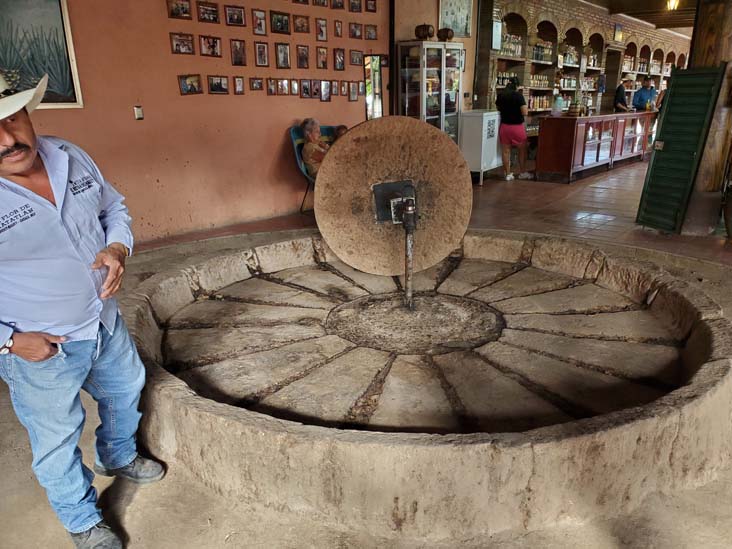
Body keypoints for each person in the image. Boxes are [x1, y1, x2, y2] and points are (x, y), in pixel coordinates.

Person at [0, 74, 164, 549]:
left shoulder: (69, 155)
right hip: (39, 346)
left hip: (102, 320)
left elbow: (114, 208)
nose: (9, 139)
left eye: (13, 118)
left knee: (126, 387)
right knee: (56, 438)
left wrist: (117, 247)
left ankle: (116, 456)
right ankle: (82, 521)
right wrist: (10, 343)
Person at [495, 77, 531, 181]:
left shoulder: (501, 95)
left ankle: (508, 174)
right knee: (522, 150)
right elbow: (525, 112)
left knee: (506, 151)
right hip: (517, 128)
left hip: (504, 127)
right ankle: (522, 172)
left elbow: (498, 108)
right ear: (517, 86)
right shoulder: (518, 96)